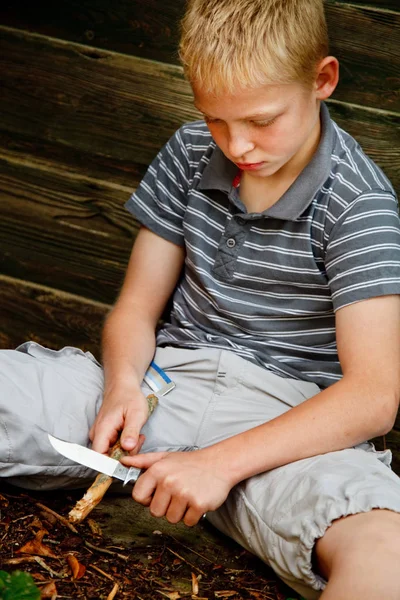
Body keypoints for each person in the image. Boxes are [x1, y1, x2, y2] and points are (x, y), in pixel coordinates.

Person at [1, 0, 400, 598]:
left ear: (322, 80)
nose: (238, 144)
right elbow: (137, 309)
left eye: (262, 120)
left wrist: (219, 464)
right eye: (216, 119)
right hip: (164, 385)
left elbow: (374, 395)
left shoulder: (359, 205)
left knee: (383, 550)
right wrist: (122, 388)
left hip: (285, 428)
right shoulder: (189, 151)